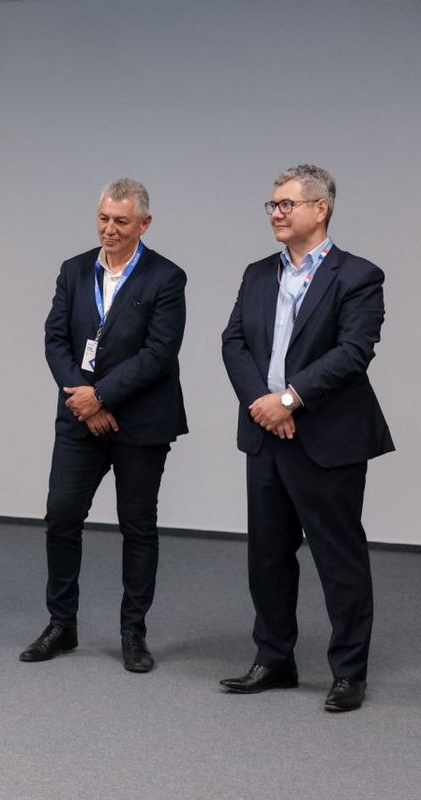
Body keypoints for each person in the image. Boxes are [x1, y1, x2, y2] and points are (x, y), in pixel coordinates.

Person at [219, 165, 392, 712]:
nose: (275, 213)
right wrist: (263, 404)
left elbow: (353, 352)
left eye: (286, 204)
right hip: (265, 433)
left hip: (327, 437)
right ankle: (274, 659)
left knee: (339, 559)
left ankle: (348, 673)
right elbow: (233, 343)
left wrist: (290, 400)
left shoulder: (358, 276)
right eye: (272, 204)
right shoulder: (257, 274)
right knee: (267, 556)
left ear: (321, 208)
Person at [20, 178, 187, 673]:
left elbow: (159, 353)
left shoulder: (167, 277)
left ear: (144, 224)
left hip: (141, 422)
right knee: (61, 517)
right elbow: (55, 339)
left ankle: (133, 633)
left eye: (121, 221)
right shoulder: (74, 271)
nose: (109, 229)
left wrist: (103, 395)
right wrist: (85, 400)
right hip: (80, 417)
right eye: (103, 219)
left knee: (138, 526)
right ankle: (61, 624)